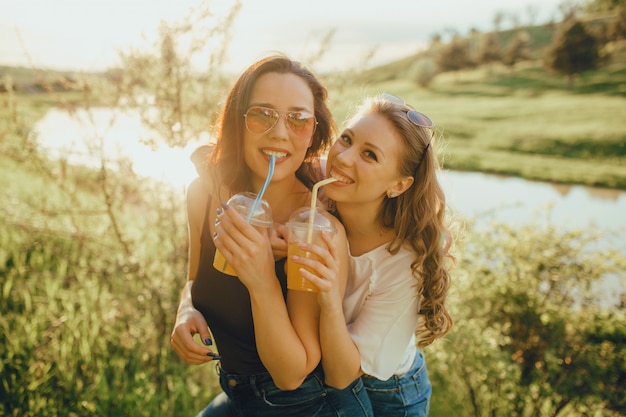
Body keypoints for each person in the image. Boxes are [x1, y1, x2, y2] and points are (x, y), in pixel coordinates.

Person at [170, 54, 373, 417]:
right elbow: (193, 279)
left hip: (311, 405)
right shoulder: (204, 194)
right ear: (238, 120)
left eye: (298, 120)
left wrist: (261, 278)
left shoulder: (315, 229)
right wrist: (185, 312)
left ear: (312, 132)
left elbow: (292, 373)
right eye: (262, 114)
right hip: (240, 396)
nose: (280, 132)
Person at [291, 93, 454, 416]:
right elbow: (223, 156)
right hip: (323, 367)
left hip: (388, 392)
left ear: (398, 185)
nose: (344, 158)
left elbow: (342, 374)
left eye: (369, 154)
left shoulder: (403, 265)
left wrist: (328, 299)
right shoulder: (330, 178)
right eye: (347, 139)